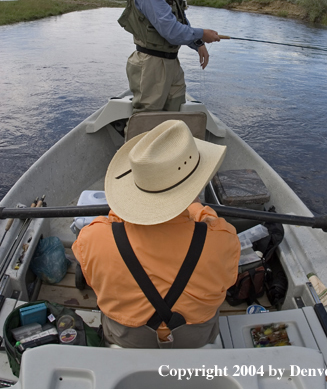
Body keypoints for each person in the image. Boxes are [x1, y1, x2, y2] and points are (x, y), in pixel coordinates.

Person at [72, 119, 240, 349]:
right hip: (197, 339)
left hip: (126, 338)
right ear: (195, 185)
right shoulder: (223, 238)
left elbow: (92, 281)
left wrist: (123, 210)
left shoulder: (91, 239)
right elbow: (227, 281)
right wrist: (197, 208)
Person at [118, 0, 221, 113]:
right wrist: (202, 34)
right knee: (147, 122)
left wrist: (198, 44)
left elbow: (180, 22)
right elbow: (172, 31)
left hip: (170, 63)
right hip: (152, 66)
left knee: (174, 113)